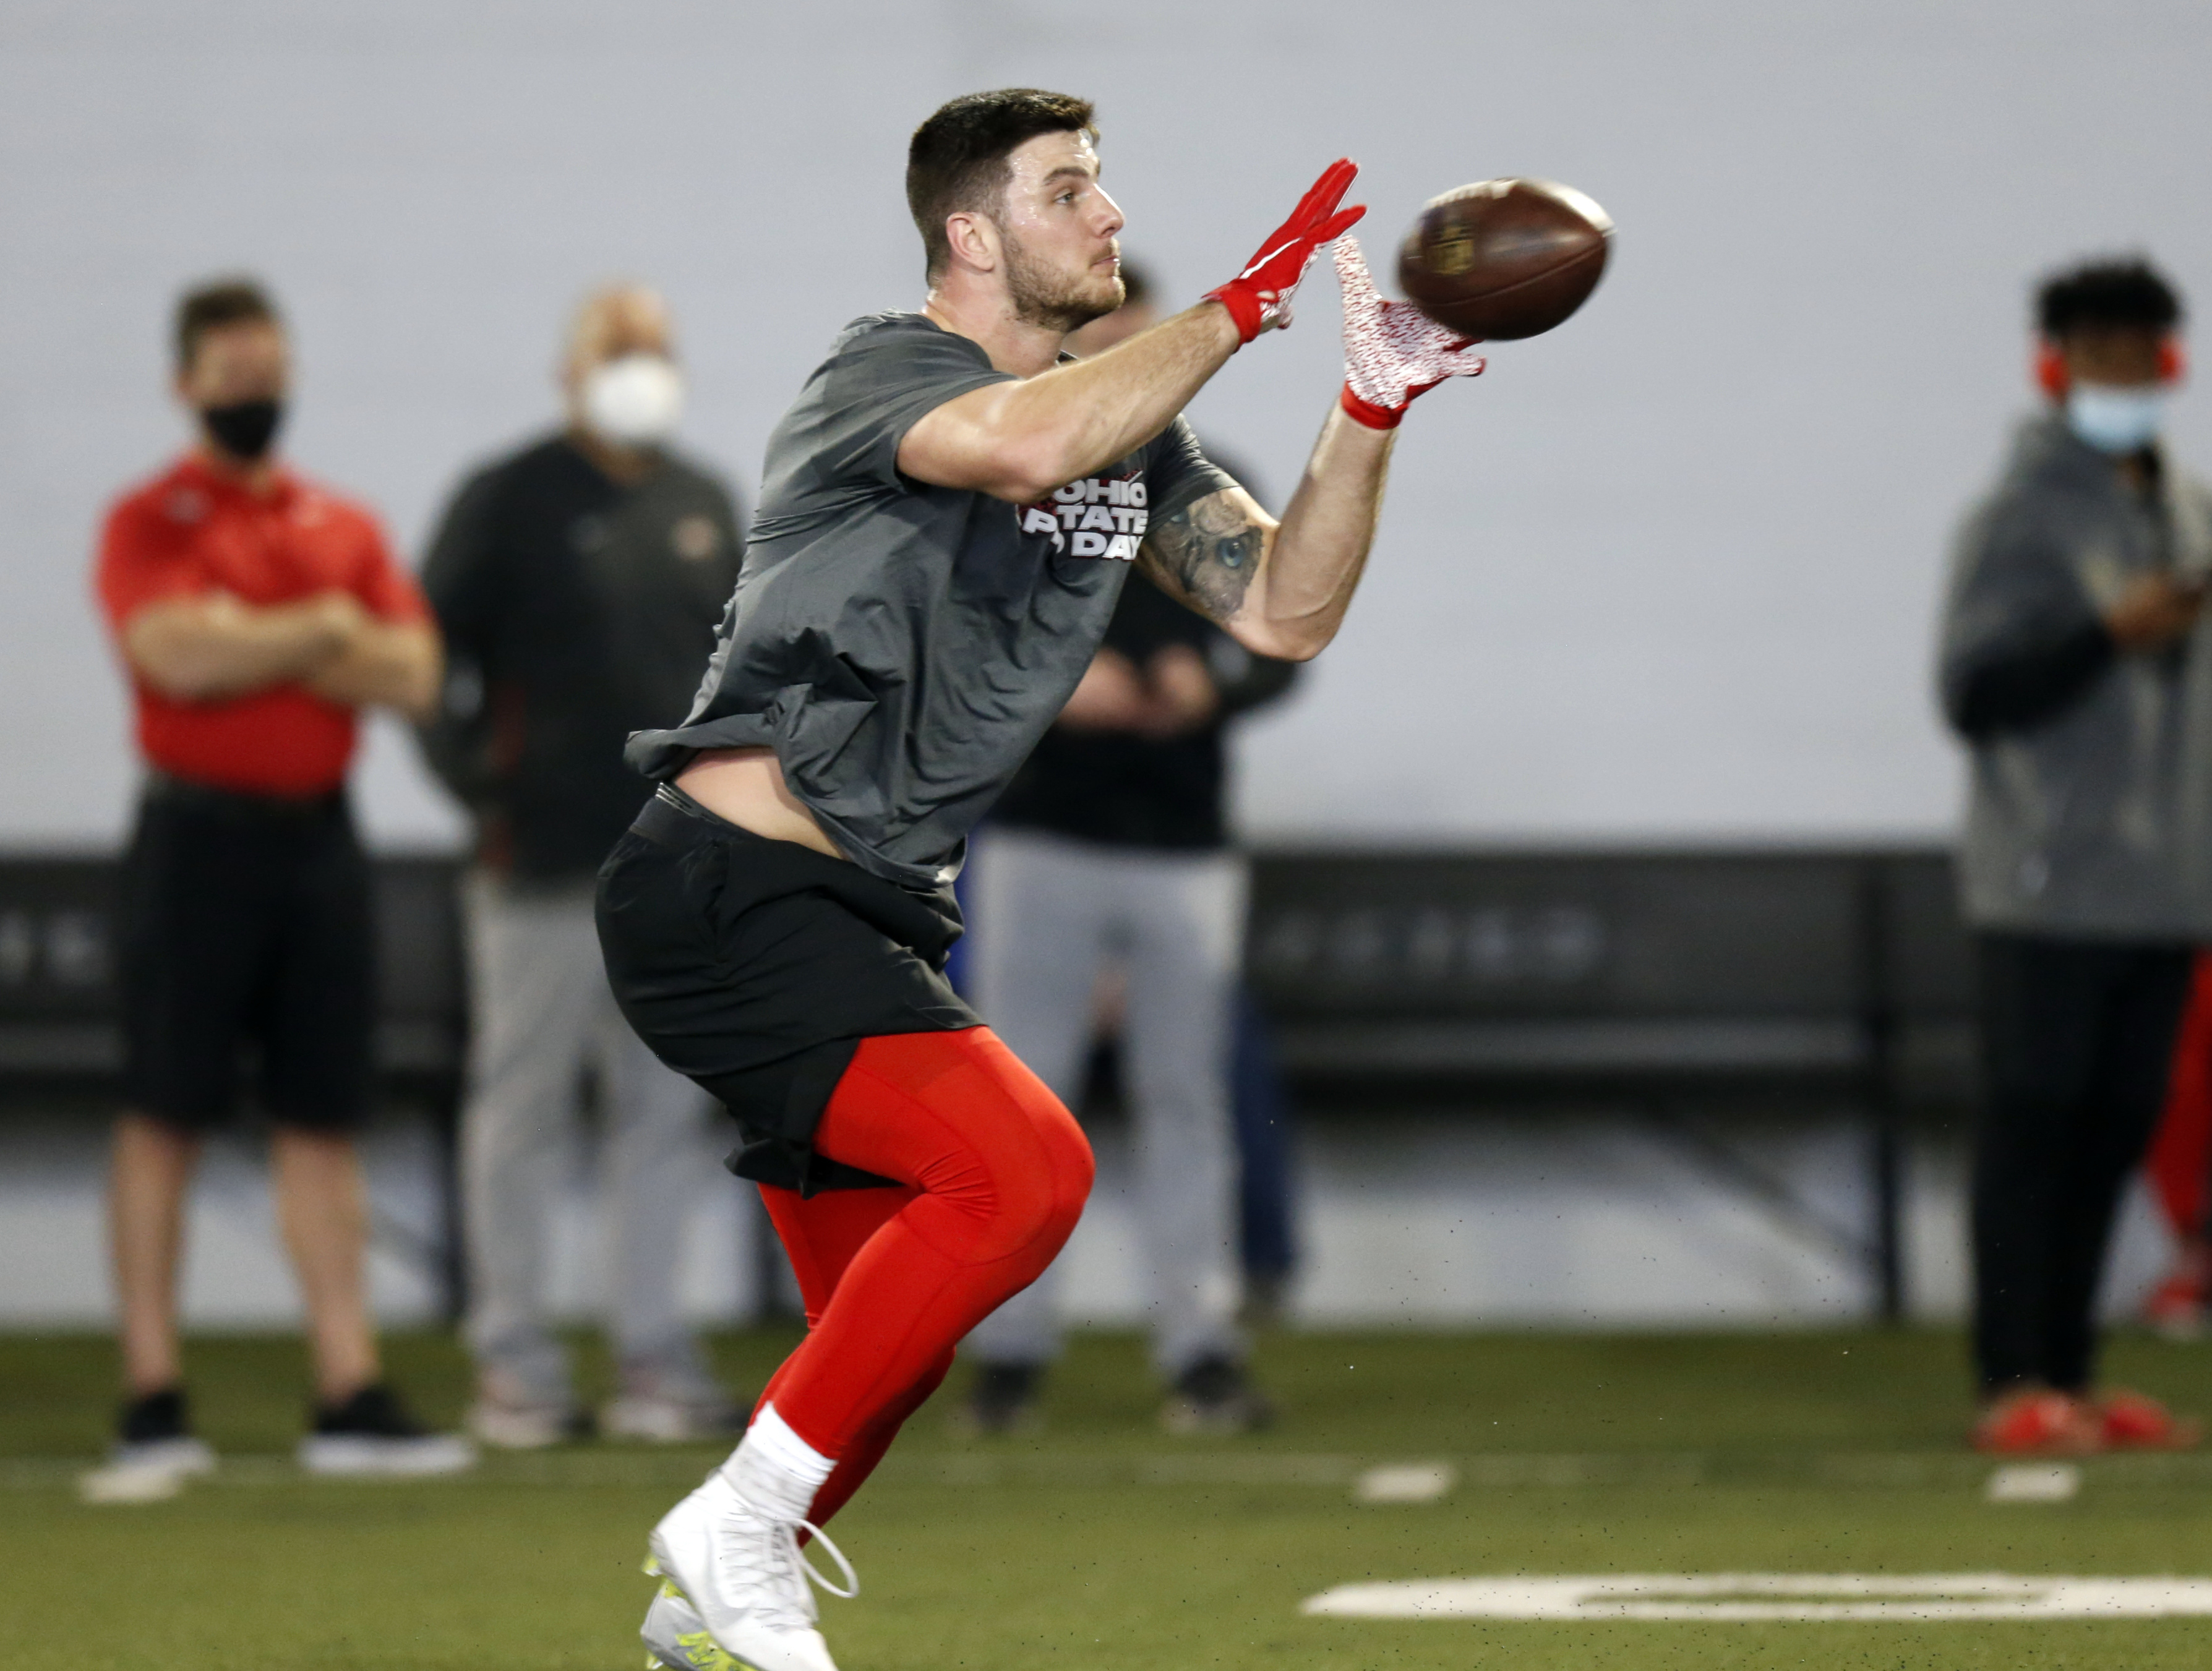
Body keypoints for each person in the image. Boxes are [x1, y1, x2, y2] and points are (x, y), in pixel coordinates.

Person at [594, 88, 1485, 1671]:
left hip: (855, 909)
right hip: (727, 891)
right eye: (1069, 190)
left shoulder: (1127, 441)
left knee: (880, 1344)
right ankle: (733, 1530)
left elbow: (1284, 607)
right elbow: (1024, 441)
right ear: (971, 234)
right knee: (1027, 1174)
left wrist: (1366, 407)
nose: (1108, 216)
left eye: (1102, 187)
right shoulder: (888, 368)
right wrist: (1247, 301)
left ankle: (708, 1605)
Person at [93, 278, 471, 1477]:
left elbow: (414, 674)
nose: (255, 394)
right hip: (192, 846)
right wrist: (323, 633)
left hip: (320, 846)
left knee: (322, 1115)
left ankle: (346, 1386)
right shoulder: (150, 519)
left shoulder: (340, 520)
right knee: (164, 1112)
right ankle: (152, 1397)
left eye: (269, 373)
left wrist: (269, 629)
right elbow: (173, 654)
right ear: (187, 384)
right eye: (232, 376)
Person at [960, 260, 1300, 1435]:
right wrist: (1063, 687)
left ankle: (1198, 1347)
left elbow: (1281, 624)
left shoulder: (1205, 477)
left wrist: (1204, 682)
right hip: (1041, 832)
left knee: (1187, 1097)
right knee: (1024, 1104)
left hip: (1182, 842)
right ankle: (1009, 1350)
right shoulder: (1013, 475)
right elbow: (956, 640)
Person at [418, 284, 752, 1448]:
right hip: (538, 865)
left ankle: (652, 1357)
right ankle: (514, 1363)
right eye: (619, 351)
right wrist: (477, 782)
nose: (640, 368)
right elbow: (425, 653)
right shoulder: (509, 498)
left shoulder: (705, 501)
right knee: (522, 1111)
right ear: (572, 370)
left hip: (674, 872)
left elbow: (745, 679)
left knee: (663, 1118)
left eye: (657, 349)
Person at [1939, 256, 2212, 1456]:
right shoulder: (2018, 515)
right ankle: (2011, 1382)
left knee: (2114, 1125)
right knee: (2034, 1121)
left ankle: (2077, 1376)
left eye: (2141, 350)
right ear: (2054, 362)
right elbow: (1974, 689)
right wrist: (2106, 634)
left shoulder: (2188, 507)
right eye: (2098, 350)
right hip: (2047, 879)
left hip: (2168, 878)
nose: (2124, 373)